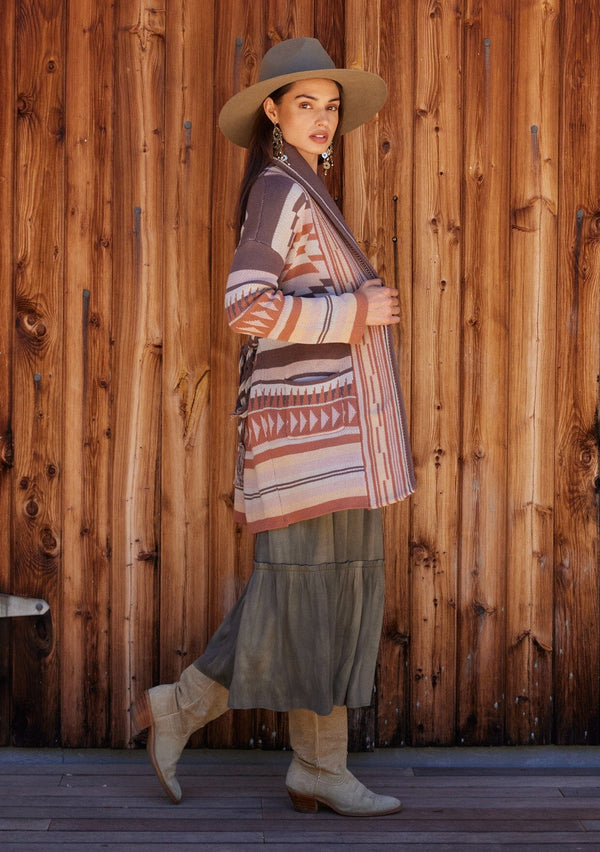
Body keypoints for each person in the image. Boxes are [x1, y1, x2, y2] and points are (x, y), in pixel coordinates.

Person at [134, 37, 415, 817]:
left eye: (330, 108)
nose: (323, 120)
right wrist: (355, 310)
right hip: (312, 447)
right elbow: (245, 307)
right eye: (305, 106)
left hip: (336, 445)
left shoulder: (303, 187)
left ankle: (312, 763)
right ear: (272, 111)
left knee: (324, 598)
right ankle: (195, 711)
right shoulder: (278, 191)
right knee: (303, 600)